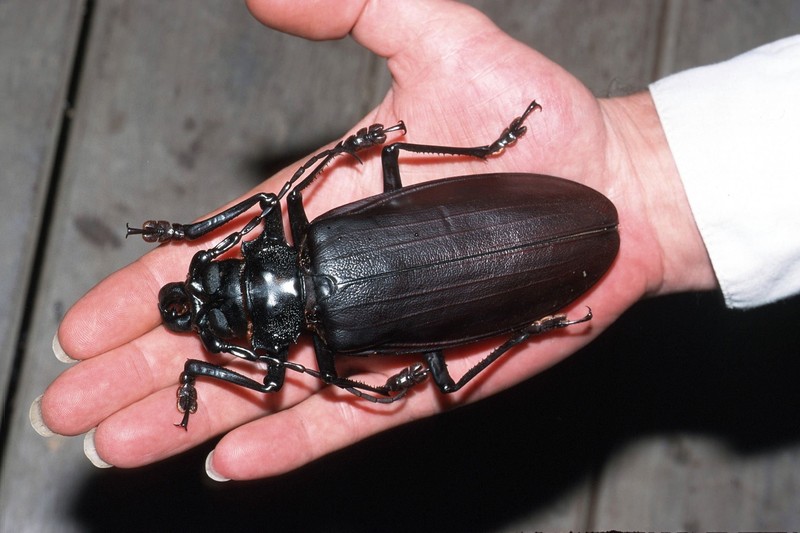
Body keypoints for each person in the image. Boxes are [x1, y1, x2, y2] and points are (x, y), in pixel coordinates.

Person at [32, 0, 800, 481]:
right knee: (393, 177)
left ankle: (519, 275)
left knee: (441, 376)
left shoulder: (322, 342)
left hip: (536, 234)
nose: (213, 270)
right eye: (218, 273)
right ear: (245, 258)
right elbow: (278, 206)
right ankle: (498, 180)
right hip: (521, 237)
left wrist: (216, 362)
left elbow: (273, 377)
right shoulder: (308, 228)